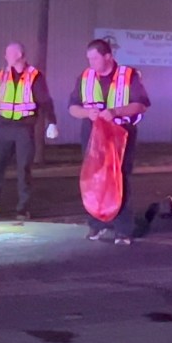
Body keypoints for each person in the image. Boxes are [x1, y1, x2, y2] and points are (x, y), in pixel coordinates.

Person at [68, 38, 151, 245]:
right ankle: (97, 224)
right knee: (94, 178)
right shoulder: (85, 77)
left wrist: (115, 111)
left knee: (119, 177)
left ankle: (123, 229)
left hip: (120, 132)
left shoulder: (128, 76)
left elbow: (141, 105)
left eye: (95, 58)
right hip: (93, 132)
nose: (91, 63)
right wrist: (88, 113)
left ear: (108, 57)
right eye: (89, 59)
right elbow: (72, 108)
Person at [0, 41, 58, 221]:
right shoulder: (1, 74)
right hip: (4, 128)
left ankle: (23, 208)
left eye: (9, 53)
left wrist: (52, 122)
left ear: (19, 55)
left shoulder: (34, 76)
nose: (6, 57)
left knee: (24, 169)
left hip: (24, 128)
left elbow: (45, 101)